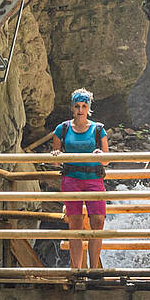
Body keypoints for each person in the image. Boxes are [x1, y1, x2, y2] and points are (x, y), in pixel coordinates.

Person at [52, 89, 109, 270]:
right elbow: (55, 161)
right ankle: (76, 269)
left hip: (93, 179)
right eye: (77, 106)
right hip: (71, 179)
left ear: (89, 108)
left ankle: (93, 269)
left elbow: (106, 160)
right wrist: (56, 155)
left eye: (84, 106)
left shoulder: (98, 129)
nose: (80, 110)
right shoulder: (62, 129)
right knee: (75, 223)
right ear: (72, 107)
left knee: (98, 221)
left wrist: (100, 154)